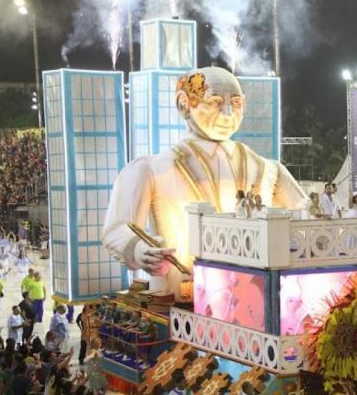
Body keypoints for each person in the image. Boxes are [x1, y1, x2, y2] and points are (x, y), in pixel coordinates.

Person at [102, 67, 307, 298]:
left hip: (256, 296)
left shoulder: (268, 169)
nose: (228, 114)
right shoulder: (150, 169)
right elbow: (117, 228)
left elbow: (309, 216)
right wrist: (139, 250)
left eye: (236, 103)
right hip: (183, 297)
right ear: (184, 104)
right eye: (214, 103)